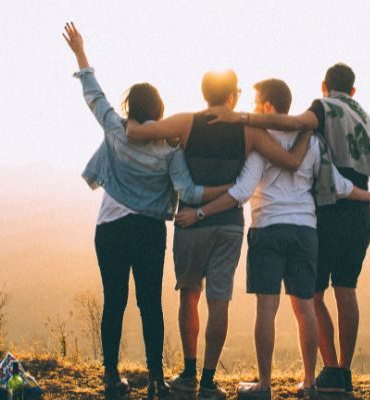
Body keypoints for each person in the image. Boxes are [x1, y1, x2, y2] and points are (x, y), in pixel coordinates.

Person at [175, 79, 370, 399]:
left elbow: (241, 192)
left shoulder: (261, 142)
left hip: (268, 229)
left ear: (269, 107)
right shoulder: (311, 141)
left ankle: (265, 385)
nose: (255, 108)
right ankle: (311, 383)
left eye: (258, 103)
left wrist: (200, 212)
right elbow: (336, 184)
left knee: (266, 309)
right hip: (305, 231)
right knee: (306, 309)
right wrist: (366, 196)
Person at [62, 23, 231, 400]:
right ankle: (156, 380)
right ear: (159, 110)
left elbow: (94, 95)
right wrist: (230, 191)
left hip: (110, 227)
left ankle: (110, 378)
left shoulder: (117, 130)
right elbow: (187, 191)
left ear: (129, 108)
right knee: (149, 303)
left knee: (114, 301)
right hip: (150, 230)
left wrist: (80, 53)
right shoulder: (170, 148)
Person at [126, 71, 312, 399]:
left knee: (189, 295)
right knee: (219, 300)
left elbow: (140, 132)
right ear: (231, 98)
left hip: (190, 223)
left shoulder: (185, 123)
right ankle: (209, 381)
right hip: (228, 224)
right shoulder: (249, 131)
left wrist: (129, 124)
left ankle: (188, 372)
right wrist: (309, 129)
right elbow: (289, 161)